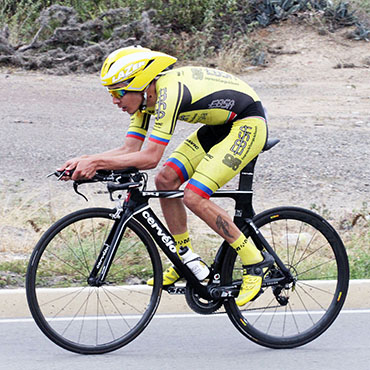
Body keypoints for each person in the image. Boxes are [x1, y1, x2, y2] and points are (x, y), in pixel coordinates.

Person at [58, 46, 274, 306]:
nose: (114, 100)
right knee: (165, 180)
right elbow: (130, 150)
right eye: (110, 93)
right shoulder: (143, 101)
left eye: (117, 92)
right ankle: (186, 258)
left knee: (194, 196)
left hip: (246, 124)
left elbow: (150, 157)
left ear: (138, 83)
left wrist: (95, 162)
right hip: (219, 127)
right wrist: (85, 160)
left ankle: (254, 261)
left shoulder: (168, 93)